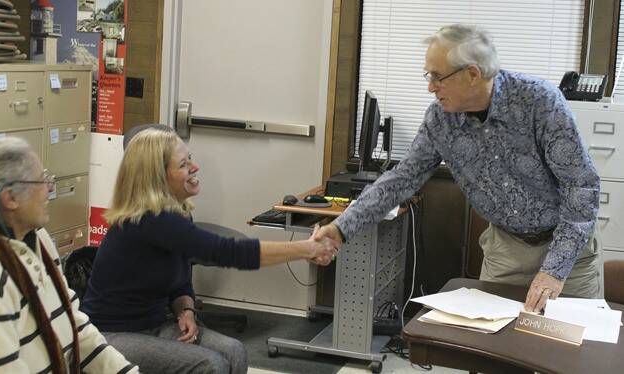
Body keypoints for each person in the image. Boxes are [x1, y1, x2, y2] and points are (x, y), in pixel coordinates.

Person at [318, 24, 601, 313]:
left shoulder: (539, 101)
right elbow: (401, 179)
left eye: (438, 77)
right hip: (506, 250)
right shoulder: (440, 120)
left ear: (473, 74)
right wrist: (341, 228)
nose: (430, 87)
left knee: (573, 347)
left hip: (568, 253)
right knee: (493, 348)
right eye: (428, 75)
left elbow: (581, 186)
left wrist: (554, 270)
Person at [81, 128, 338, 374]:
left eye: (190, 158)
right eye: (183, 165)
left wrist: (187, 311)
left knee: (235, 352)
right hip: (112, 335)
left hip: (155, 324)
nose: (195, 167)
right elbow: (228, 252)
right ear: (158, 178)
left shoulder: (177, 214)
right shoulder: (148, 220)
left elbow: (180, 283)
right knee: (210, 366)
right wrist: (306, 249)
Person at [0, 137, 138, 373]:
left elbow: (74, 322)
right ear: (10, 198)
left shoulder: (38, 238)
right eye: (41, 181)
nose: (49, 189)